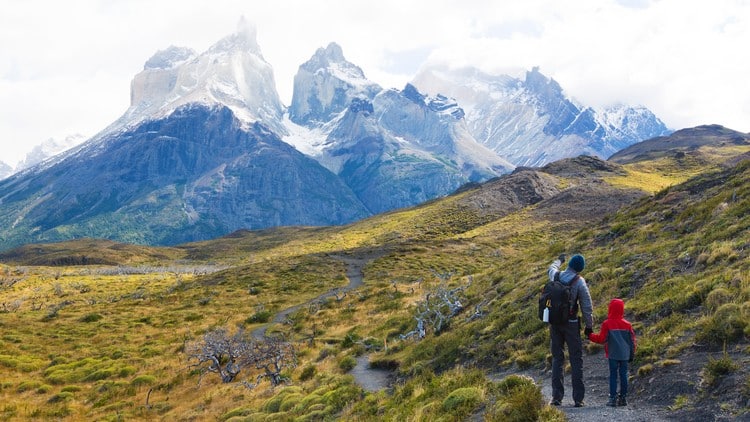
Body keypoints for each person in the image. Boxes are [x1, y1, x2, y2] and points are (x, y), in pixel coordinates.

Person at [547, 253, 594, 407]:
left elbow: (551, 268)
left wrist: (559, 260)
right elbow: (586, 306)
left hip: (555, 323)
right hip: (572, 324)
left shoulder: (556, 275)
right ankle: (578, 399)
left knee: (557, 358)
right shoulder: (579, 282)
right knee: (576, 359)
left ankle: (556, 397)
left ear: (569, 264)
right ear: (580, 268)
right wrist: (589, 326)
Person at [588, 298, 637, 407]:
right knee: (623, 375)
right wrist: (632, 353)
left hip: (613, 354)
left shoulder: (607, 324)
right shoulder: (627, 325)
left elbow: (602, 339)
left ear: (610, 309)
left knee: (613, 375)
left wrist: (590, 335)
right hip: (624, 354)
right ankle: (623, 398)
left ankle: (612, 398)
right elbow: (632, 341)